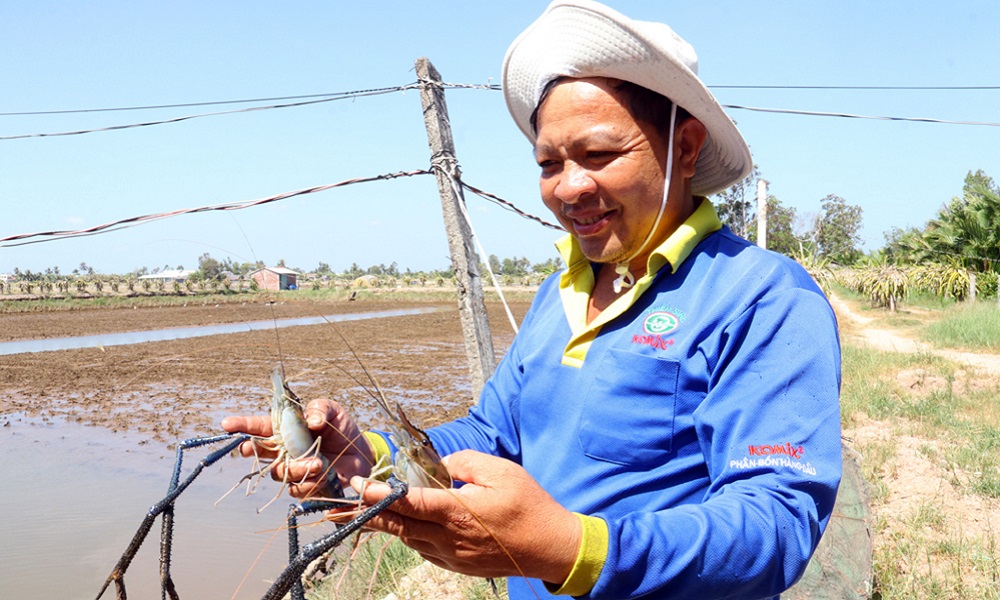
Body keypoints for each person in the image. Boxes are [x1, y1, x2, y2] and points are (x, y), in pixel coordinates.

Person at [223, 2, 843, 598]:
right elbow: (494, 432)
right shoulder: (558, 294)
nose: (570, 188)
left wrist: (573, 551)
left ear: (684, 148)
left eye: (599, 154)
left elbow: (778, 525)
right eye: (549, 163)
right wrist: (370, 451)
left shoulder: (762, 299)